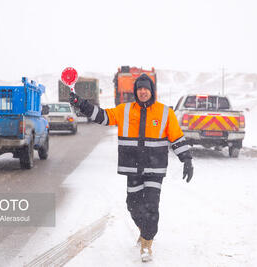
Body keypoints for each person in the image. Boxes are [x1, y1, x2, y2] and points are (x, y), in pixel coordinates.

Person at [69, 73, 194, 262]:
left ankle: (147, 243)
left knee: (151, 206)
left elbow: (176, 137)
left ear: (152, 91)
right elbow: (102, 116)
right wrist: (81, 103)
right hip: (133, 168)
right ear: (136, 91)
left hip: (155, 169)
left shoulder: (164, 112)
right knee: (133, 206)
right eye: (139, 88)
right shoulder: (124, 110)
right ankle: (145, 231)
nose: (143, 91)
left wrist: (187, 159)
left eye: (146, 88)